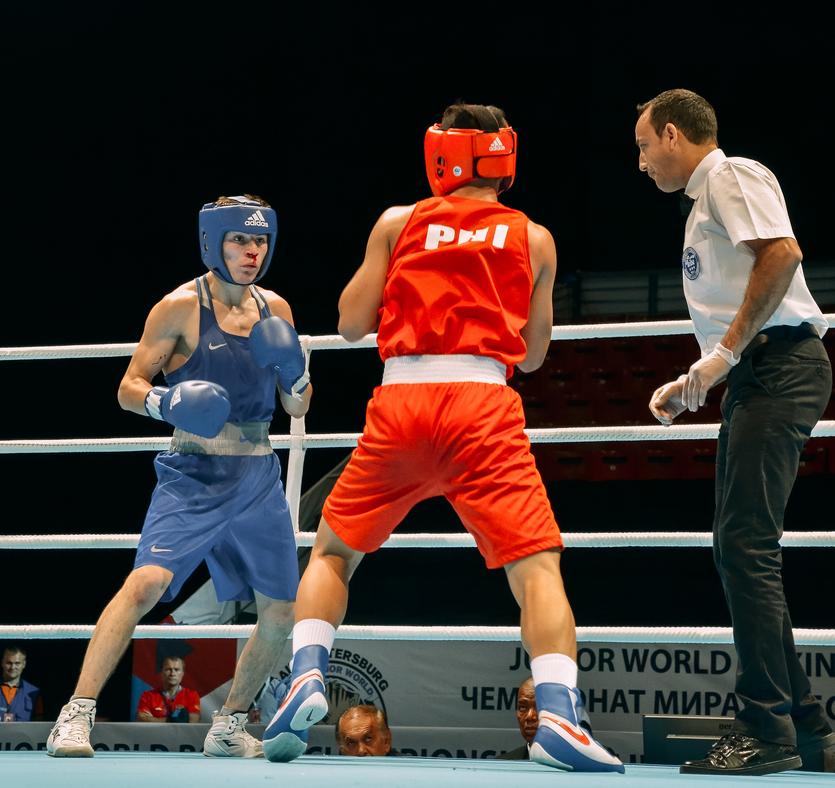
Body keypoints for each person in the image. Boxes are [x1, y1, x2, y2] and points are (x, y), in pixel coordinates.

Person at [261, 104, 623, 774]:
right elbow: (537, 355)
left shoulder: (400, 222)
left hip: (401, 399)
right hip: (482, 404)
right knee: (536, 570)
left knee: (334, 554)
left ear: (441, 155)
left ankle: (306, 674)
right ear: (502, 160)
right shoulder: (534, 238)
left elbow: (346, 323)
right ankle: (561, 718)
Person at [46, 195, 312, 758]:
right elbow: (128, 387)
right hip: (192, 472)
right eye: (242, 240)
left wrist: (295, 371)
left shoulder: (278, 311)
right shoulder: (178, 307)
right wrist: (168, 402)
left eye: (261, 242)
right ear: (214, 242)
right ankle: (76, 713)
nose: (253, 252)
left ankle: (230, 724)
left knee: (281, 611)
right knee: (145, 585)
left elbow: (297, 406)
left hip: (258, 472)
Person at [635, 89, 835, 776]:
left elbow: (780, 255)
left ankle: (763, 726)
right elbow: (739, 294)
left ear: (670, 133)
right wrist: (699, 377)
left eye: (641, 147)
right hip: (759, 370)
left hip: (779, 364)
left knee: (744, 545)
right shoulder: (703, 203)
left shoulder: (728, 175)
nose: (639, 163)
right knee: (739, 545)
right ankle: (803, 726)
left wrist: (721, 356)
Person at [0, 645, 43, 721]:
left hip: (22, 733)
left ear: (24, 664)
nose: (13, 667)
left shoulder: (33, 693)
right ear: (2, 663)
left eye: (17, 663)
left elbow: (38, 723)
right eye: (9, 663)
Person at [136, 656, 201, 723]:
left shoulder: (191, 695)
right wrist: (176, 719)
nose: (172, 673)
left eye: (176, 670)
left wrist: (153, 719)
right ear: (161, 672)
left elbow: (193, 721)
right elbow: (141, 719)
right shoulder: (148, 696)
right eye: (168, 669)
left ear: (182, 673)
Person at [496, 677, 537, 761]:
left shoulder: (571, 765)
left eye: (540, 707)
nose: (530, 716)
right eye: (522, 707)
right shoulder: (502, 767)